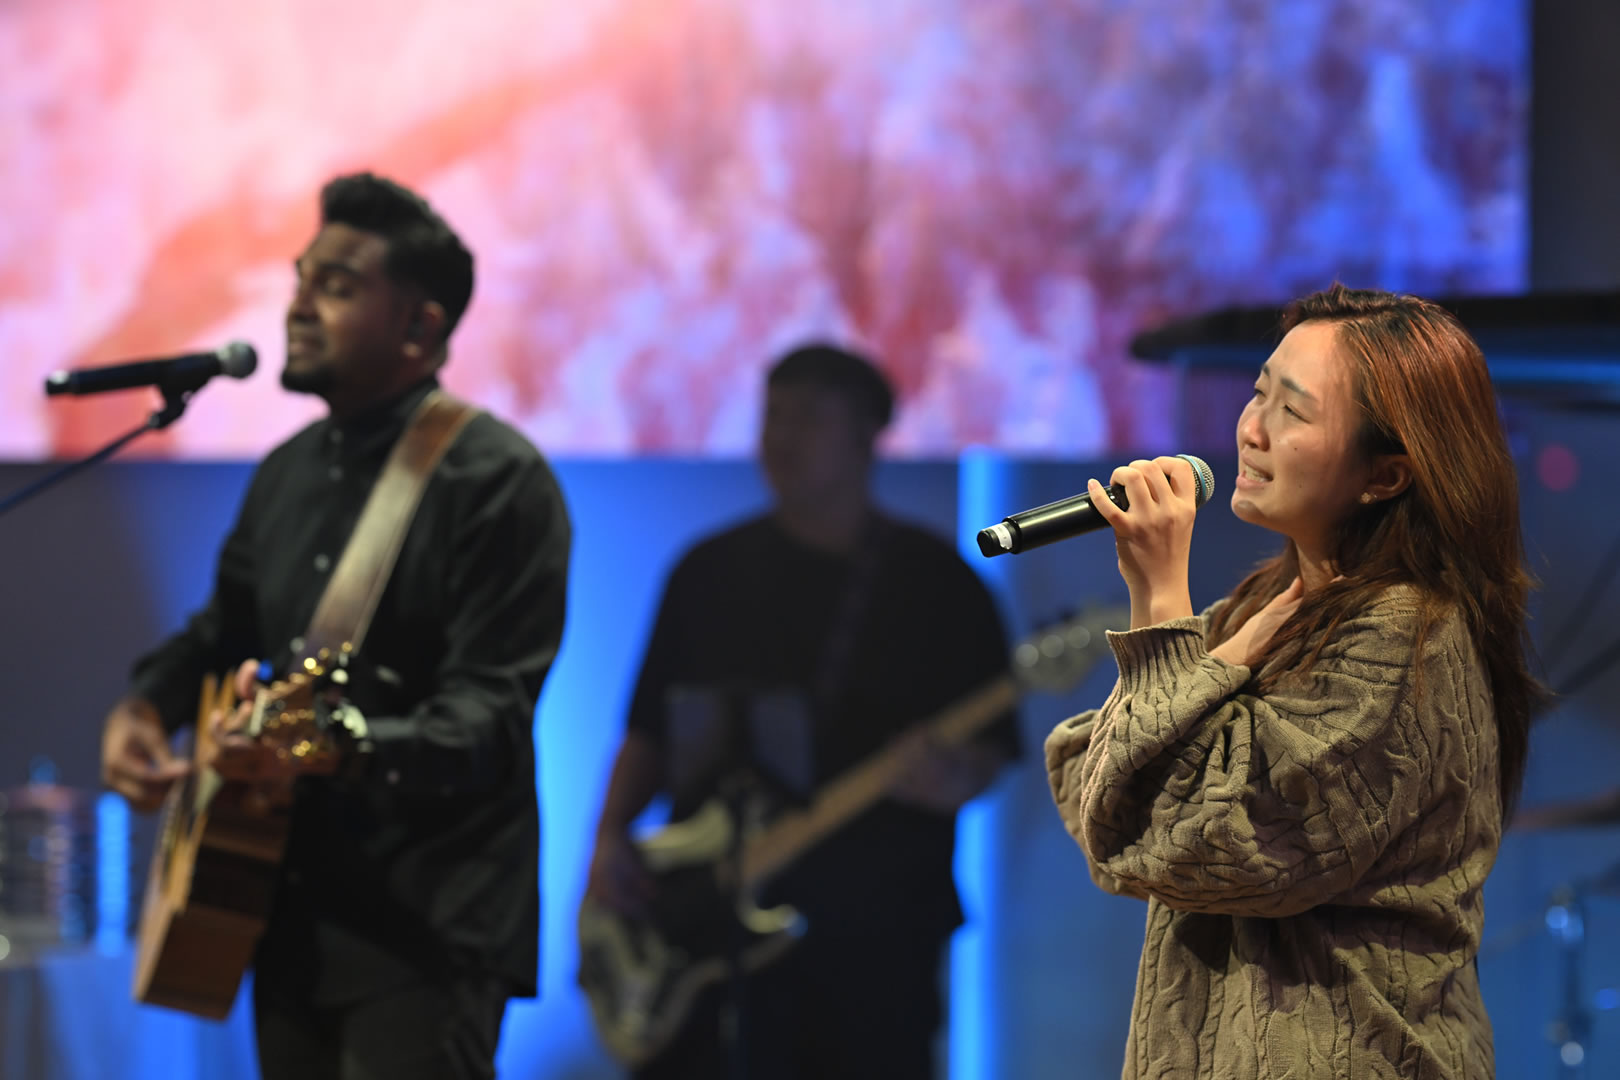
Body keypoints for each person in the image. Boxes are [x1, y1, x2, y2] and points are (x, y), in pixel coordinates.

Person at [99, 173, 571, 1080]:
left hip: (425, 926)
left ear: (420, 328)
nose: (299, 307)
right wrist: (145, 709)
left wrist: (339, 746)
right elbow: (221, 631)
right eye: (301, 280)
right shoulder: (285, 474)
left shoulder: (496, 481)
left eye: (338, 286)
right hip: (283, 906)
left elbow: (489, 721)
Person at [1046, 284, 1540, 1079]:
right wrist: (1209, 663)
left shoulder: (1405, 637)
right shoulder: (1266, 604)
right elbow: (1094, 791)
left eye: (1294, 412)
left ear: (1385, 475)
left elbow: (1184, 842)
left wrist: (1163, 606)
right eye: (1258, 392)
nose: (1252, 429)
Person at [586, 343, 1019, 1079]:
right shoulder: (706, 571)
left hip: (876, 937)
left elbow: (992, 750)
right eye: (773, 416)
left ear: (866, 435)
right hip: (709, 920)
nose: (782, 439)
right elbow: (647, 730)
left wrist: (952, 778)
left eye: (810, 418)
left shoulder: (938, 585)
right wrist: (607, 840)